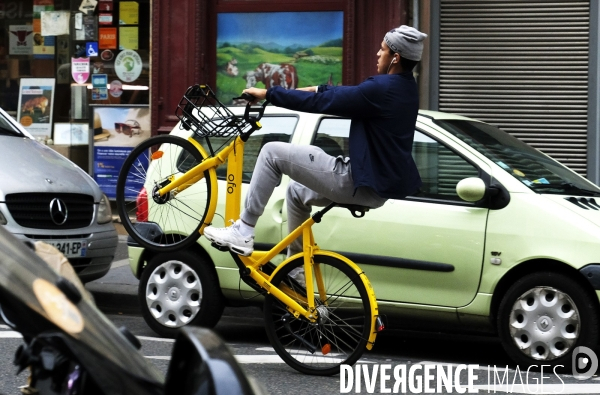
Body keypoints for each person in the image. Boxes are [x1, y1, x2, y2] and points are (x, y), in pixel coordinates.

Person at [204, 25, 427, 277]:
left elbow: (321, 102)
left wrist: (268, 93)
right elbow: (332, 93)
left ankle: (244, 230)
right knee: (296, 192)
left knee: (271, 153)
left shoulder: (383, 88)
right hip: (375, 187)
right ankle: (297, 269)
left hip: (356, 180)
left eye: (383, 49)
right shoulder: (405, 89)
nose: (377, 53)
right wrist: (288, 93)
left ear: (395, 57)